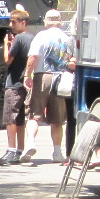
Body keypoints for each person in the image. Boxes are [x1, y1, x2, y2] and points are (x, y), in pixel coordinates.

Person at [20, 8, 73, 163]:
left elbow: (33, 57)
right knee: (58, 119)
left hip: (42, 76)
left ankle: (30, 142)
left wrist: (27, 75)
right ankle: (57, 152)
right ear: (60, 22)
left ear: (46, 22)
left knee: (34, 114)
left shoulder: (41, 36)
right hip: (61, 78)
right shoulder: (66, 38)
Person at [0, 10, 35, 166]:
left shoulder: (19, 39)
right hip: (25, 83)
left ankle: (11, 150)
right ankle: (20, 149)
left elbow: (8, 60)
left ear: (23, 23)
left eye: (14, 22)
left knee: (10, 117)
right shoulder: (32, 38)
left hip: (14, 83)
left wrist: (6, 44)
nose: (11, 25)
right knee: (20, 120)